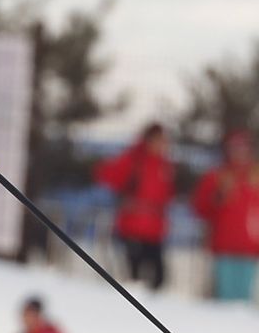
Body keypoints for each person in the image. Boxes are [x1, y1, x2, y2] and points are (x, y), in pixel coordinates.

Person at [94, 122, 173, 290]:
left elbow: (167, 195)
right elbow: (106, 174)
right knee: (134, 277)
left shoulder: (164, 164)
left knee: (158, 277)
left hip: (155, 229)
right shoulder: (133, 159)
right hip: (132, 227)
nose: (162, 144)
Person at [191, 128, 259, 302]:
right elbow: (200, 208)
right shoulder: (217, 176)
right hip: (223, 248)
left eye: (244, 147)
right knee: (224, 300)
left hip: (250, 249)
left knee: (244, 301)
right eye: (235, 147)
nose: (240, 152)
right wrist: (219, 196)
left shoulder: (255, 176)